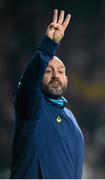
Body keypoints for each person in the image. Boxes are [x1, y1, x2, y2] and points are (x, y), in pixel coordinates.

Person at [10, 9, 84, 179]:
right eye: (48, 71)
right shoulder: (32, 107)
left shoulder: (69, 116)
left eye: (60, 71)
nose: (56, 75)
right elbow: (29, 84)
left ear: (67, 79)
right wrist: (48, 46)